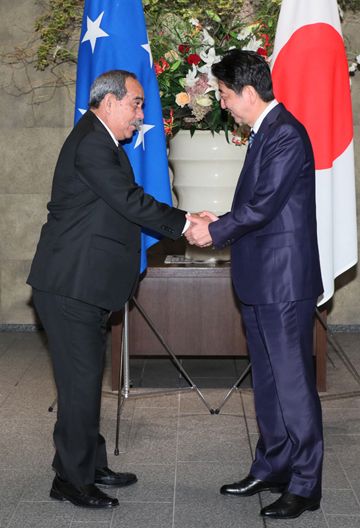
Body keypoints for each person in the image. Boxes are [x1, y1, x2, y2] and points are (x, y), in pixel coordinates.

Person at [27, 70, 188, 509]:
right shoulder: (93, 144)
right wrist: (187, 223)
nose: (141, 113)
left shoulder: (102, 141)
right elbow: (129, 200)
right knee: (79, 384)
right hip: (70, 284)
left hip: (85, 284)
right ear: (110, 101)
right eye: (136, 103)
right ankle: (71, 481)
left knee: (84, 381)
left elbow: (121, 202)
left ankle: (88, 463)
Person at [186, 50, 324, 520]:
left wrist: (215, 231)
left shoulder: (285, 133)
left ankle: (306, 484)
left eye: (224, 94)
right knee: (267, 383)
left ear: (247, 92)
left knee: (292, 384)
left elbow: (263, 206)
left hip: (283, 283)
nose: (222, 103)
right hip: (261, 278)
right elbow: (260, 205)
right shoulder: (266, 132)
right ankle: (273, 465)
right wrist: (218, 218)